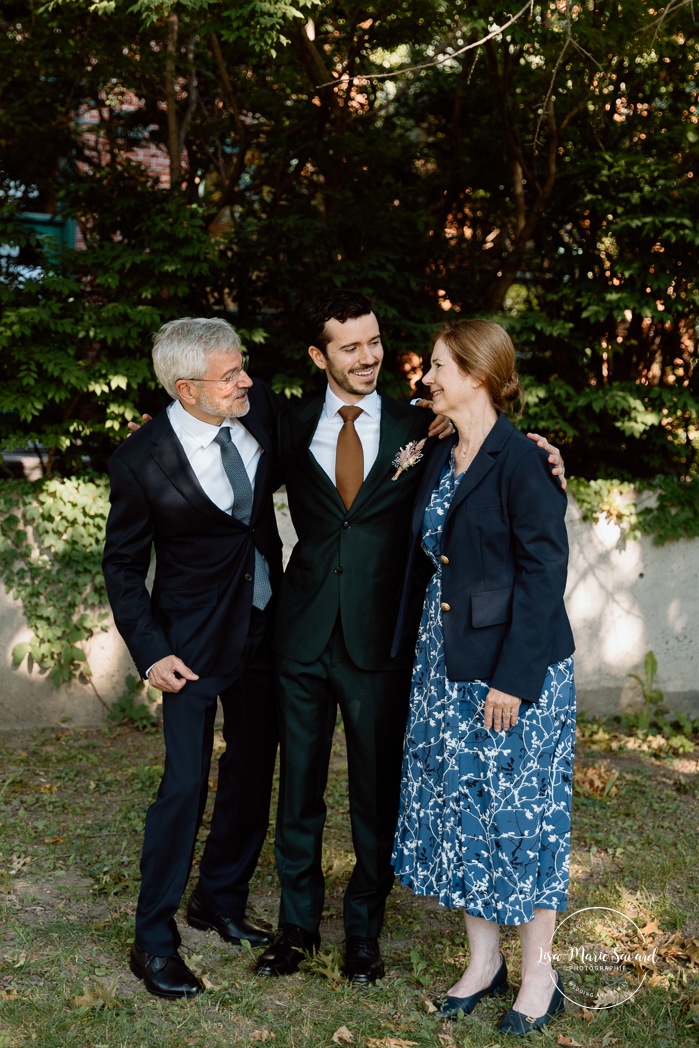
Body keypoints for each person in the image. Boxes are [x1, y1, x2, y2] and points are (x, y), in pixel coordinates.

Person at [255, 291, 566, 986]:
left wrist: (551, 468)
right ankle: (295, 928)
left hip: (383, 642)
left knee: (377, 790)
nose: (369, 358)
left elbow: (507, 510)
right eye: (350, 347)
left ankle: (363, 932)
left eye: (375, 343)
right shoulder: (290, 424)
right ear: (318, 356)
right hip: (302, 634)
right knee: (297, 789)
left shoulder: (419, 429)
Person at [391, 318, 575, 1036]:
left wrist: (513, 678)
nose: (426, 379)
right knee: (466, 812)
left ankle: (539, 975)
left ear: (475, 373)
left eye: (437, 367)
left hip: (514, 671)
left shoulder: (521, 460)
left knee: (522, 819)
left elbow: (542, 574)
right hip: (446, 663)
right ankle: (481, 964)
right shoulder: (441, 452)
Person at [103, 317, 282, 999]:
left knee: (250, 767)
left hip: (266, 625)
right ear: (187, 389)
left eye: (243, 367)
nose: (246, 381)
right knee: (184, 785)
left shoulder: (256, 409)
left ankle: (220, 900)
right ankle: (153, 940)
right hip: (188, 644)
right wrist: (151, 653)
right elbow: (122, 567)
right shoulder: (139, 461)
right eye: (230, 375)